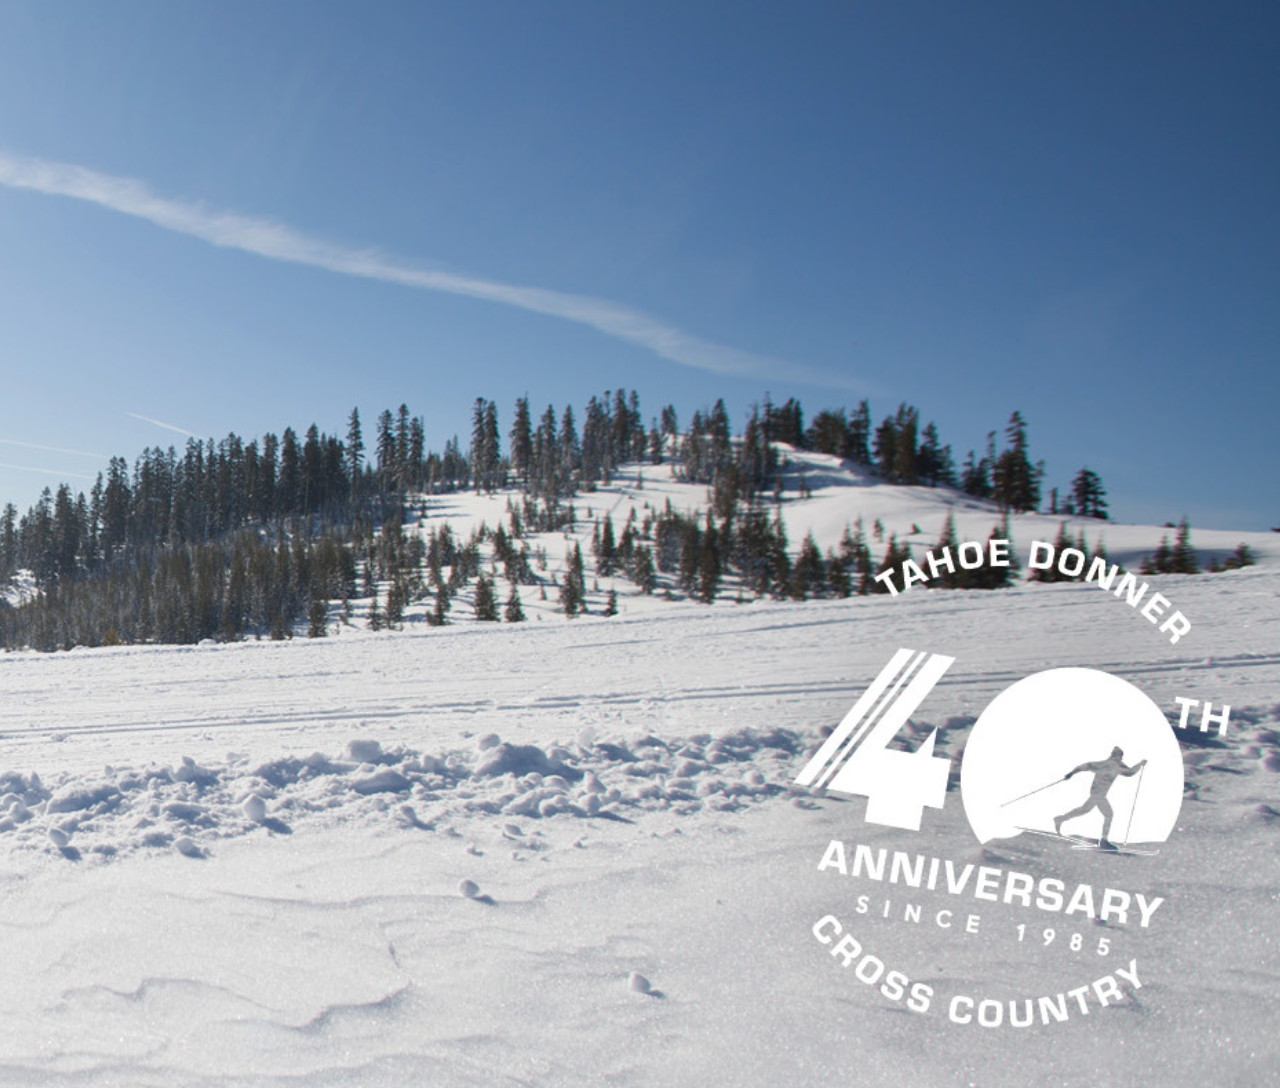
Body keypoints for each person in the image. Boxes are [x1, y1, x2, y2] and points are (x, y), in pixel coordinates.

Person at [1053, 747, 1147, 845]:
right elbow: (1130, 772)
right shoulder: (1117, 766)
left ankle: (1060, 819)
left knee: (1084, 809)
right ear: (1118, 756)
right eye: (1120, 757)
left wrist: (1071, 773)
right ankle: (1104, 840)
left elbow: (1084, 766)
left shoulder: (1101, 764)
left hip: (1095, 793)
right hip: (1099, 795)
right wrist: (1140, 764)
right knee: (1108, 814)